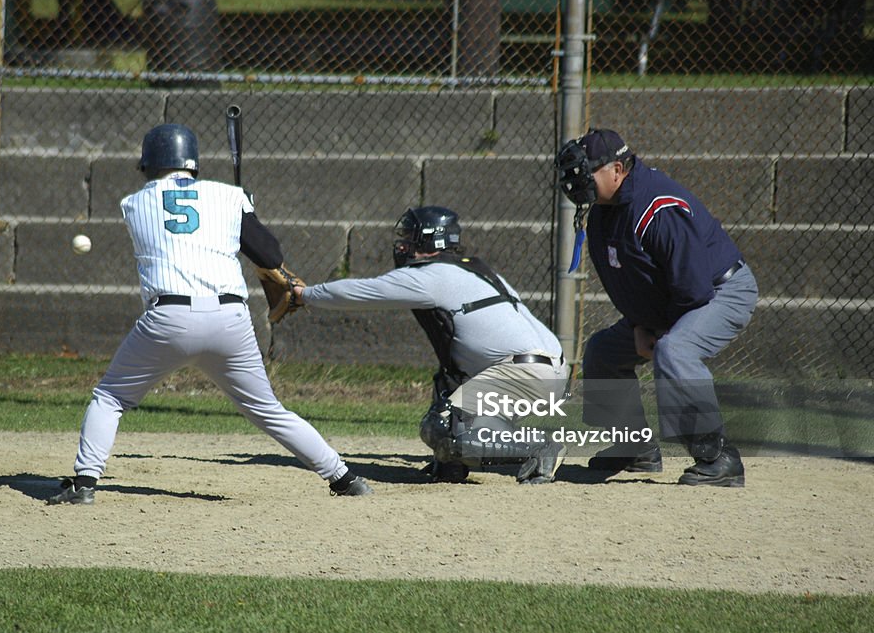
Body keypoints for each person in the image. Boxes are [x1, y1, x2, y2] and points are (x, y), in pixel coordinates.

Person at [48, 123, 372, 504]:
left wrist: (239, 210)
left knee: (110, 399)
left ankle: (84, 485)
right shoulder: (228, 196)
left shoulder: (134, 203)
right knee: (267, 410)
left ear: (149, 165)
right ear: (194, 164)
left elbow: (181, 223)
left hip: (168, 320)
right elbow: (269, 255)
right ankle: (344, 477)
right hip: (230, 320)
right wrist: (245, 212)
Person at [293, 206, 569, 484]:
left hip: (524, 374)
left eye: (410, 238)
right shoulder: (470, 268)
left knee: (441, 425)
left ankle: (539, 448)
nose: (402, 245)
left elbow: (361, 292)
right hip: (540, 370)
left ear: (429, 241)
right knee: (447, 393)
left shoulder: (432, 275)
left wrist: (304, 295)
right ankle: (453, 462)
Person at [555, 128, 758, 487]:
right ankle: (635, 448)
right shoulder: (605, 208)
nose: (578, 181)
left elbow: (693, 288)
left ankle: (719, 456)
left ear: (617, 170)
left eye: (588, 172)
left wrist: (660, 329)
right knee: (603, 353)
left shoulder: (658, 207)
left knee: (674, 350)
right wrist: (638, 324)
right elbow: (630, 280)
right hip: (672, 301)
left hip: (720, 291)